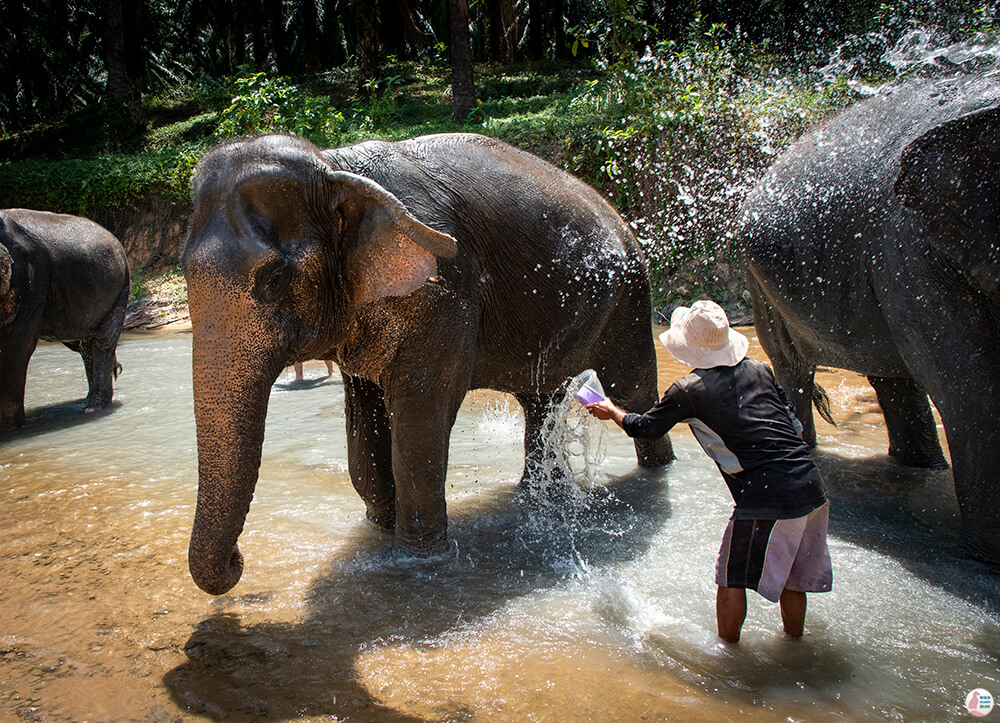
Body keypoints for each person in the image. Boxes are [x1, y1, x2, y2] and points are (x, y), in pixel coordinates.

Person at [586, 299, 832, 643]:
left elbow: (644, 428)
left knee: (730, 576)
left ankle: (728, 658)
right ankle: (795, 645)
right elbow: (796, 428)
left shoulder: (688, 391)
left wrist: (611, 410)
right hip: (811, 485)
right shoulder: (760, 369)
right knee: (791, 573)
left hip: (768, 495)